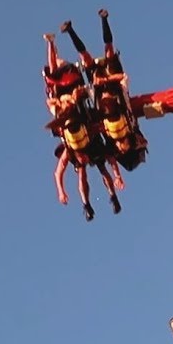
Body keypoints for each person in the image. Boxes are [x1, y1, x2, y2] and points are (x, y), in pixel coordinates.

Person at [42, 33, 121, 221]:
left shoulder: (66, 83)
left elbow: (55, 67)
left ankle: (112, 196)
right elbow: (58, 173)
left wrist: (117, 175)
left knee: (102, 165)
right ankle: (87, 205)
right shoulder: (71, 152)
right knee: (86, 171)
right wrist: (61, 192)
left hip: (78, 116)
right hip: (73, 119)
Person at [62, 11, 147, 172]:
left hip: (99, 90)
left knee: (85, 58)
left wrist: (83, 93)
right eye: (124, 148)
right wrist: (107, 81)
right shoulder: (129, 125)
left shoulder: (109, 135)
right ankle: (104, 18)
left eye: (119, 149)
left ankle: (70, 31)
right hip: (114, 85)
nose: (121, 147)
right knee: (109, 51)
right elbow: (122, 77)